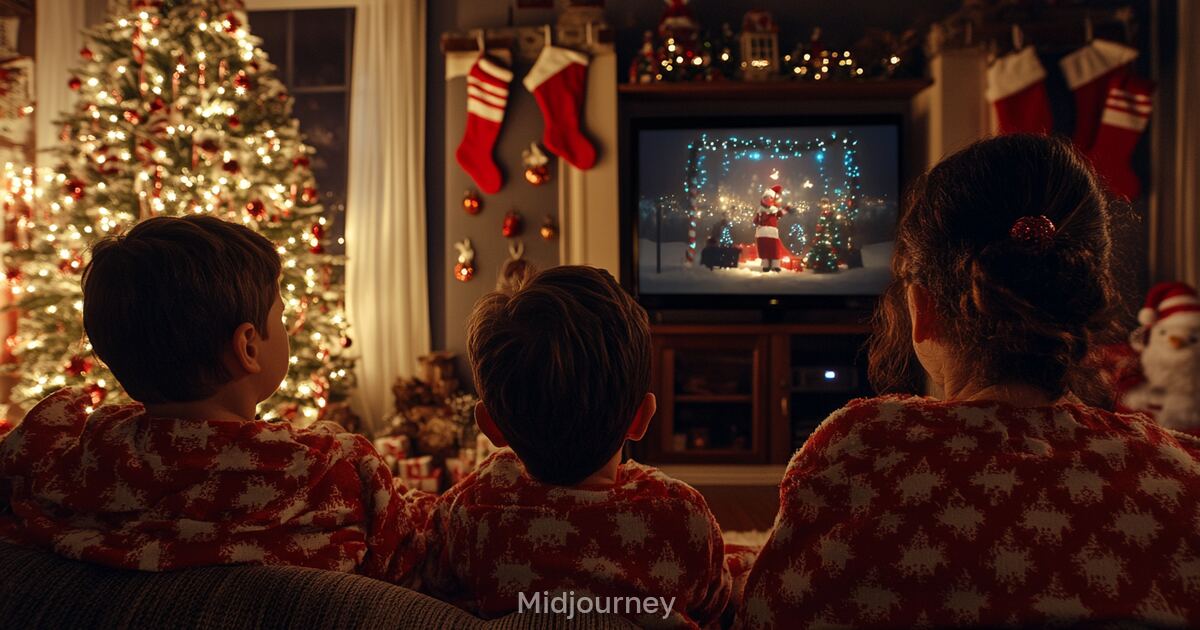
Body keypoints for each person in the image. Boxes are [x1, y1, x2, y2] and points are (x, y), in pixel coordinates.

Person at [736, 135, 1200, 628]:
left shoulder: (859, 451)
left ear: (923, 310)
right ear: (1082, 298)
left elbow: (767, 615)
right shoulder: (1182, 476)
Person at [0, 215, 431, 585]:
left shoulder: (72, 463)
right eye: (281, 314)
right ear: (248, 346)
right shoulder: (328, 474)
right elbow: (415, 557)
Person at [423, 266, 732, 627]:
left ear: (491, 427)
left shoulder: (471, 510)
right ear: (641, 419)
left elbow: (438, 583)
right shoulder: (682, 514)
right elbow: (715, 605)